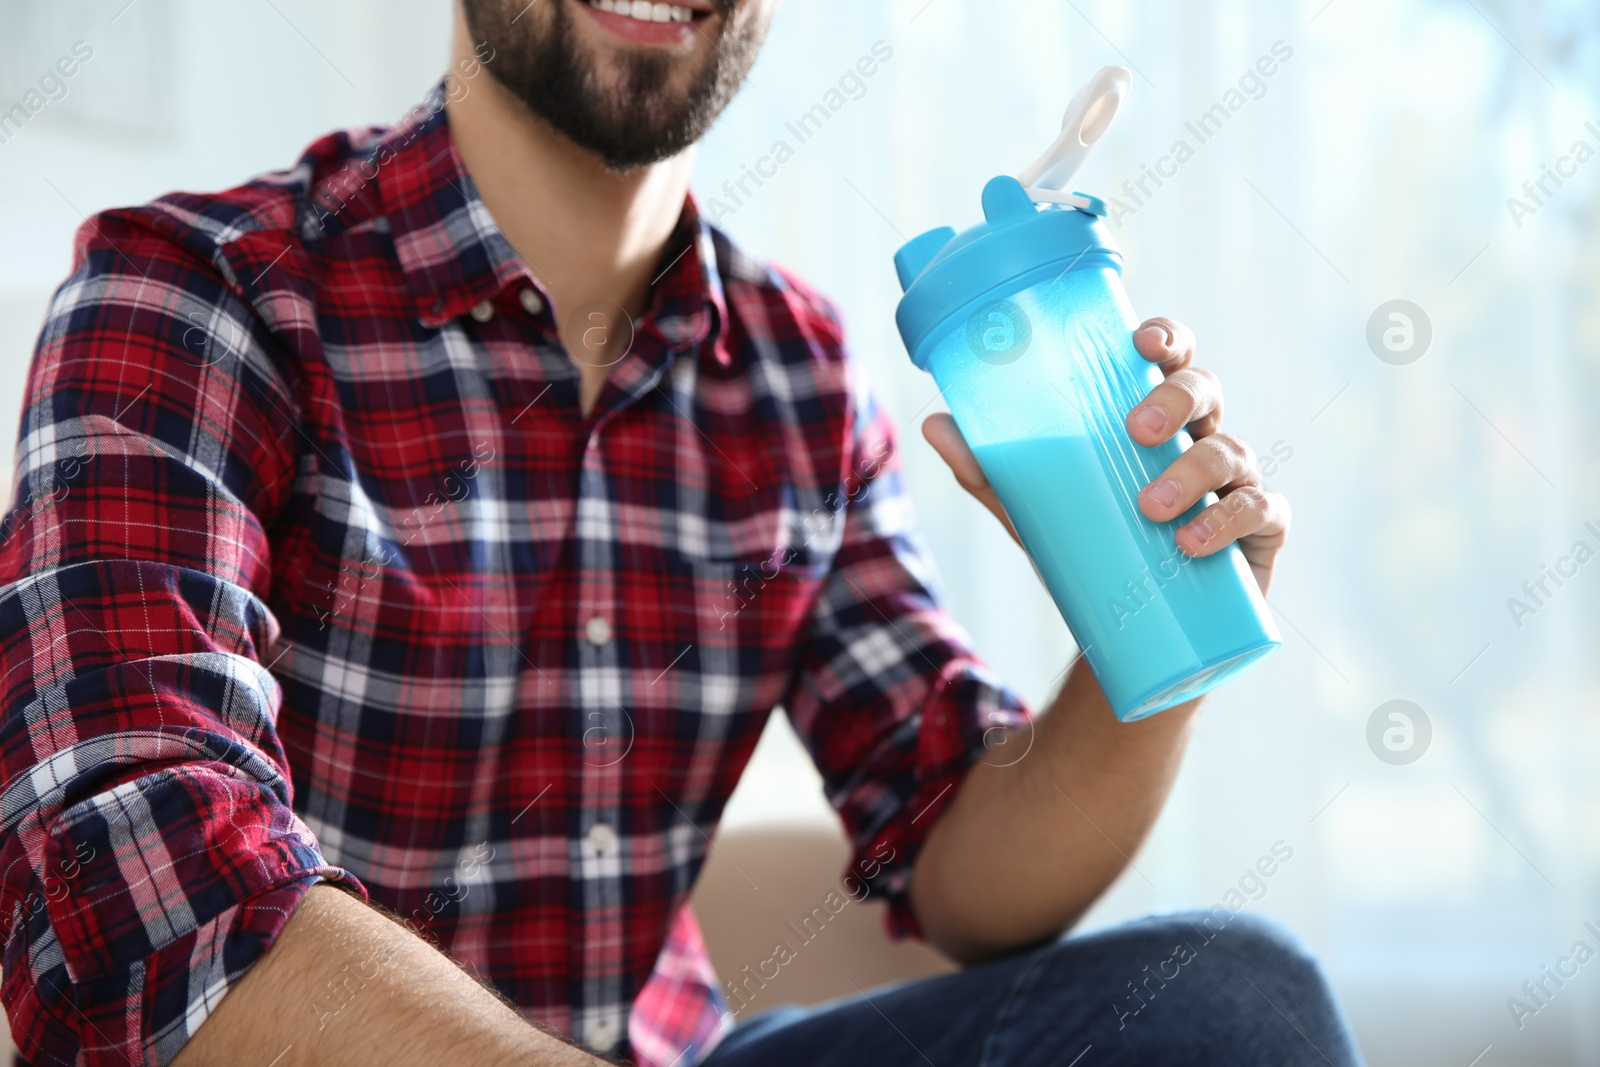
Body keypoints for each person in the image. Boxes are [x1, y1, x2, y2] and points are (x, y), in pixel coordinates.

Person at [0, 1, 1361, 1065]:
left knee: (1238, 1006)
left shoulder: (801, 375)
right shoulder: (195, 294)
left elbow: (958, 865)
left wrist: (1150, 630)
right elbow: (149, 886)